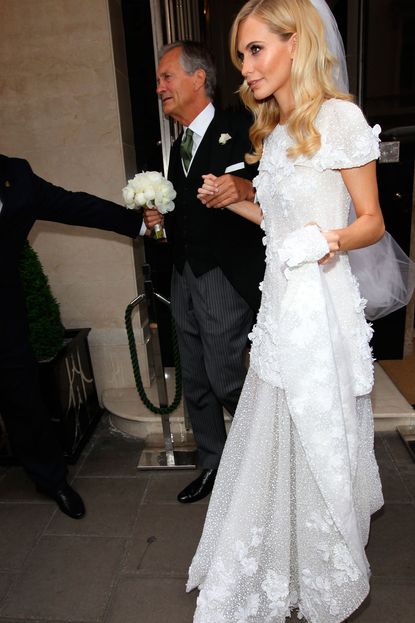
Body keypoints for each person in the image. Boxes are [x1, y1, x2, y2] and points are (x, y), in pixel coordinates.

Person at [187, 1, 385, 621]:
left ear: (295, 43)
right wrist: (231, 203)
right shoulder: (276, 129)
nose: (245, 68)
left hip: (321, 305)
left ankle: (329, 560)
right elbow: (276, 220)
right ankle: (291, 547)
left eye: (255, 50)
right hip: (280, 304)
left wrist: (324, 241)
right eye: (241, 55)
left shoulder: (339, 117)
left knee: (317, 426)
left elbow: (371, 223)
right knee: (280, 423)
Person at [0, 153, 161, 519]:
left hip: (5, 313)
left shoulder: (16, 175)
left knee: (22, 398)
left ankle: (51, 479)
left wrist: (136, 225)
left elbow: (73, 205)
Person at [151, 41, 265, 503]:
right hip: (184, 275)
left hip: (222, 274)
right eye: (158, 81)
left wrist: (247, 186)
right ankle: (215, 465)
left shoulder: (242, 126)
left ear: (199, 79)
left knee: (224, 375)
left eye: (167, 77)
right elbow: (189, 211)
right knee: (194, 378)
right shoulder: (179, 144)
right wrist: (160, 221)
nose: (159, 88)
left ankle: (266, 456)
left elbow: (281, 183)